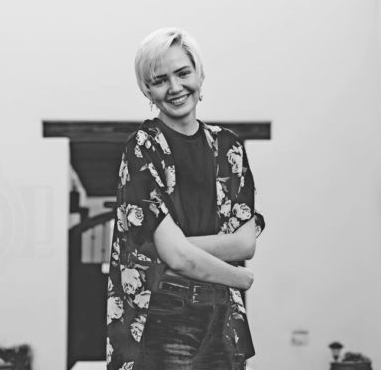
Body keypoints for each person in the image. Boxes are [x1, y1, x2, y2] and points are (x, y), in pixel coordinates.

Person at [106, 28, 265, 370]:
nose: (175, 88)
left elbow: (244, 244)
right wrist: (240, 278)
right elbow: (178, 258)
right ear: (147, 89)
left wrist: (170, 247)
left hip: (223, 314)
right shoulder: (142, 148)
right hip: (164, 313)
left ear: (200, 74)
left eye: (183, 73)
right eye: (160, 80)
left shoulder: (229, 148)